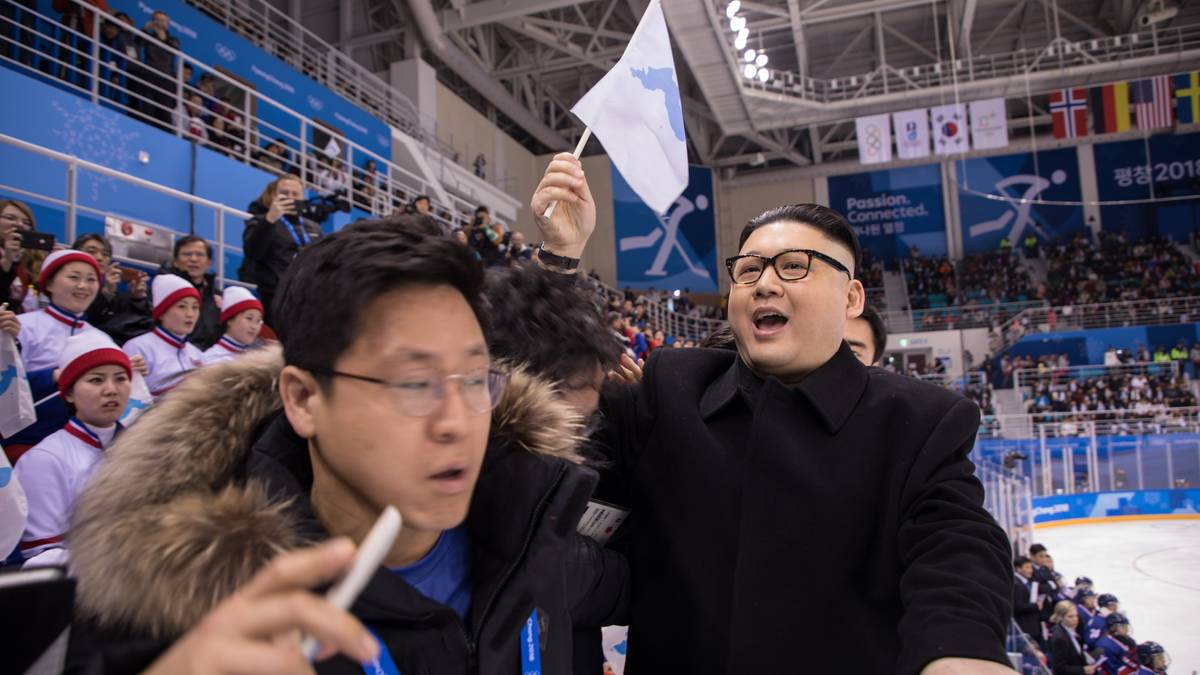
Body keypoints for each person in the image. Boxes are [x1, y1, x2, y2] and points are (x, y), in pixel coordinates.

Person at [66, 219, 627, 673]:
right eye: (413, 384)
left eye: (476, 379)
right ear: (304, 399)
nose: (458, 424)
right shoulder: (176, 616)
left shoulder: (532, 532)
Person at [528, 153, 1012, 674]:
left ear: (851, 298)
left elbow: (958, 553)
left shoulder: (918, 421)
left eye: (794, 266)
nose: (764, 283)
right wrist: (559, 258)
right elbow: (543, 428)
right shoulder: (670, 389)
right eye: (749, 269)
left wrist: (960, 652)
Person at [13, 332, 131, 567]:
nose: (111, 389)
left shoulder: (147, 449)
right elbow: (40, 557)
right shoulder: (44, 460)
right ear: (68, 393)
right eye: (96, 380)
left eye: (120, 378)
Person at [239, 175, 321, 317]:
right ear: (274, 196)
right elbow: (252, 252)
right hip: (275, 298)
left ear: (302, 198)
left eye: (295, 194)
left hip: (307, 299)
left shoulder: (314, 227)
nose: (290, 197)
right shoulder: (260, 221)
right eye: (284, 193)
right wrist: (270, 219)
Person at [121, 274, 204, 396]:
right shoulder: (138, 347)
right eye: (182, 306)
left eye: (195, 307)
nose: (190, 314)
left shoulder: (197, 354)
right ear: (161, 313)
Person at [72, 233, 152, 344]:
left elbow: (139, 324)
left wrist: (137, 298)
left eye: (105, 254)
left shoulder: (118, 296)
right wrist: (107, 292)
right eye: (91, 251)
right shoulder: (67, 285)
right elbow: (85, 317)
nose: (99, 258)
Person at [161, 236, 221, 349]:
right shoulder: (162, 293)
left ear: (209, 262)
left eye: (200, 254)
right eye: (187, 254)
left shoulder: (218, 297)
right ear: (175, 261)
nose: (193, 259)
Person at [202, 286, 263, 365]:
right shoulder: (212, 360)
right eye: (249, 318)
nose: (254, 326)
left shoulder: (257, 359)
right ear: (229, 320)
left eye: (258, 321)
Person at [1046, 601, 1098, 675]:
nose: (1075, 619)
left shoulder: (1072, 629)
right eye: (1070, 616)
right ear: (1060, 617)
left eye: (1076, 615)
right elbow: (1059, 668)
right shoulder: (1060, 638)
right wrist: (1083, 670)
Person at [1013, 556, 1044, 647]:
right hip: (1025, 627)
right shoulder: (1017, 584)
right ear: (1018, 569)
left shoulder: (1026, 583)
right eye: (1027, 567)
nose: (1030, 570)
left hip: (1032, 625)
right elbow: (1017, 606)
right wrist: (1036, 606)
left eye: (1031, 567)